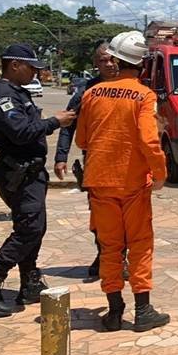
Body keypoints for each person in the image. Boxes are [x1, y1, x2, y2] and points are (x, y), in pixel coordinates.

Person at [0, 45, 75, 316]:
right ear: (15, 65)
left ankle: (29, 282)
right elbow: (21, 132)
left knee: (34, 227)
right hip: (18, 171)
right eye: (32, 67)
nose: (36, 72)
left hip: (29, 171)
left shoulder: (18, 93)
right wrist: (55, 121)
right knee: (29, 228)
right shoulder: (2, 96)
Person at [75, 31, 169, 332]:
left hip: (100, 183)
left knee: (109, 247)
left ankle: (114, 311)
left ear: (114, 60)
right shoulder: (144, 96)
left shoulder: (91, 94)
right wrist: (159, 175)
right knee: (140, 245)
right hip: (132, 186)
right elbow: (149, 140)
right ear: (141, 64)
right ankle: (143, 311)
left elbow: (83, 140)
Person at [54, 42, 119, 277]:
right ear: (96, 63)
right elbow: (67, 123)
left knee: (127, 215)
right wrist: (61, 157)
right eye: (103, 60)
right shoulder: (86, 90)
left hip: (127, 163)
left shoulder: (133, 86)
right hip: (95, 163)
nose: (109, 64)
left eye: (113, 59)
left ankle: (119, 259)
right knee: (99, 214)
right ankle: (104, 255)